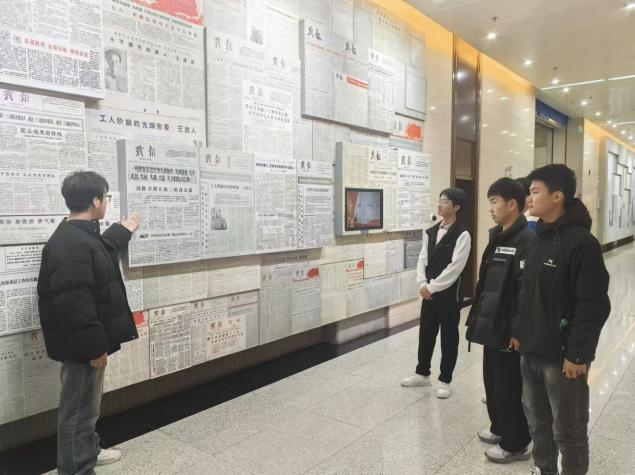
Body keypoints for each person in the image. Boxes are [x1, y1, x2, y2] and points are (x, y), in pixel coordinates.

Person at [37, 171, 142, 475]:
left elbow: (99, 252)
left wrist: (121, 232)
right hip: (83, 345)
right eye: (106, 197)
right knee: (78, 410)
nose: (107, 202)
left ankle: (88, 452)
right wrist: (94, 347)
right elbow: (75, 302)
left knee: (88, 405)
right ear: (96, 201)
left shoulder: (79, 235)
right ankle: (76, 469)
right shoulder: (69, 243)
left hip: (86, 341)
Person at [511, 164, 610, 475]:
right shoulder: (536, 237)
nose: (528, 198)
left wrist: (578, 354)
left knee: (568, 432)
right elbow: (527, 292)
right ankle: (544, 470)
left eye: (534, 192)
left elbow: (593, 304)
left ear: (557, 196)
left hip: (562, 358)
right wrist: (519, 331)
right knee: (538, 424)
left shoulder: (582, 243)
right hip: (531, 350)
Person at [465, 178, 534, 464]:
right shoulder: (497, 236)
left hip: (508, 328)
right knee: (492, 381)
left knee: (509, 386)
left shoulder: (526, 240)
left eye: (494, 202)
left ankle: (516, 443)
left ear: (512, 204)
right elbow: (486, 282)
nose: (491, 208)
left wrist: (518, 330)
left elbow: (525, 292)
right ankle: (499, 427)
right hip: (490, 323)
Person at [402, 188, 471, 398]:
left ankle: (445, 380)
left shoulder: (463, 234)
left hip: (449, 294)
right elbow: (422, 259)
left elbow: (455, 268)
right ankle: (422, 373)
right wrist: (422, 283)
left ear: (456, 207)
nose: (440, 204)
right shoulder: (430, 232)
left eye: (445, 201)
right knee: (426, 333)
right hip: (429, 292)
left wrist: (431, 287)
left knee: (449, 337)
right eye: (439, 200)